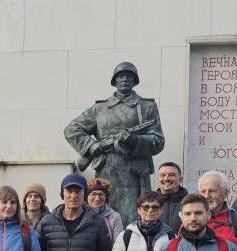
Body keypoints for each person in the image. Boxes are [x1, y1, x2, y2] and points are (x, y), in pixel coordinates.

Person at [64, 61, 166, 224]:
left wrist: (134, 140)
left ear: (135, 81)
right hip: (107, 170)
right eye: (121, 76)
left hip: (135, 173)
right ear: (114, 80)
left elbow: (158, 141)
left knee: (136, 218)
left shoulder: (147, 107)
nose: (125, 79)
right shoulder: (99, 109)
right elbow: (72, 129)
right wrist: (92, 146)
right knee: (104, 219)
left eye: (129, 76)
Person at [156, 162, 187, 231]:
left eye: (171, 175)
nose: (166, 178)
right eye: (162, 175)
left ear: (180, 179)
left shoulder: (189, 202)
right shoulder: (149, 203)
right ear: (158, 179)